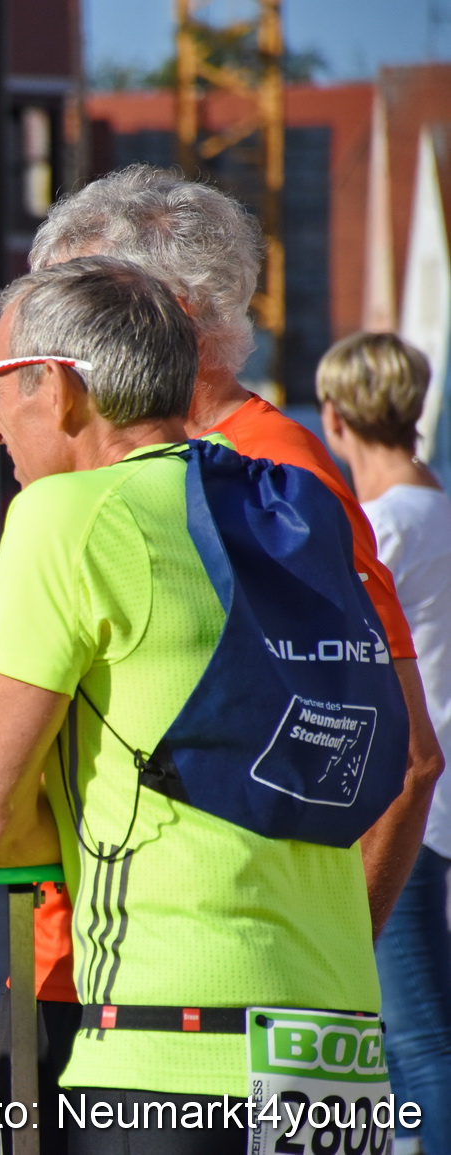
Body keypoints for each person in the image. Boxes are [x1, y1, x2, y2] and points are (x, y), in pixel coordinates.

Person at [0, 256, 393, 1154]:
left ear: (60, 388)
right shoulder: (289, 502)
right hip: (334, 1043)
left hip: (164, 1043)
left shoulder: (65, 514)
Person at [8, 164, 444, 1133]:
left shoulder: (269, 477)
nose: (41, 358)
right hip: (126, 968)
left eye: (73, 308)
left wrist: (313, 973)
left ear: (166, 315)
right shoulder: (159, 479)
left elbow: (403, 756)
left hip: (160, 1003)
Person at [318, 331, 451, 1155]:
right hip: (438, 796)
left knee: (413, 1038)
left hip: (407, 799)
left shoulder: (380, 528)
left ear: (335, 419)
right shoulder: (435, 504)